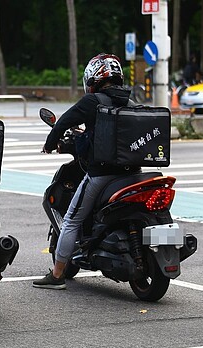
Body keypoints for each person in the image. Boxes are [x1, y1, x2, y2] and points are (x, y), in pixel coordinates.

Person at [33, 53, 140, 290]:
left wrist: (50, 145)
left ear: (94, 77)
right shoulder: (131, 103)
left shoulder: (92, 102)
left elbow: (62, 123)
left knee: (71, 219)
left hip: (102, 174)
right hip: (133, 174)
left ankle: (57, 274)